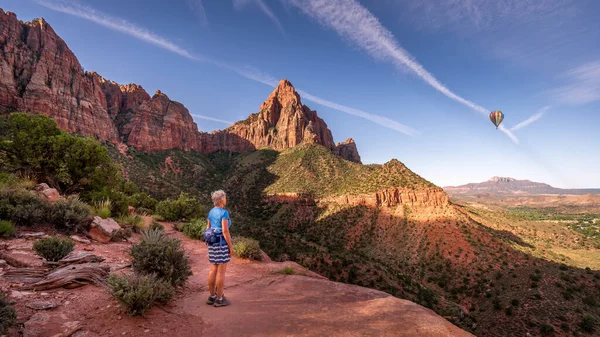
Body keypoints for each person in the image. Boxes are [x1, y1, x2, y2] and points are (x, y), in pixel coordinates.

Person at [206, 190, 233, 307]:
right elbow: (225, 231)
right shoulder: (224, 213)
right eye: (225, 198)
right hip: (221, 244)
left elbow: (208, 228)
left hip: (212, 243)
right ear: (222, 200)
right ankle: (219, 299)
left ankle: (211, 296)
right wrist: (230, 247)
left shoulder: (211, 212)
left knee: (213, 270)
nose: (226, 200)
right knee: (221, 272)